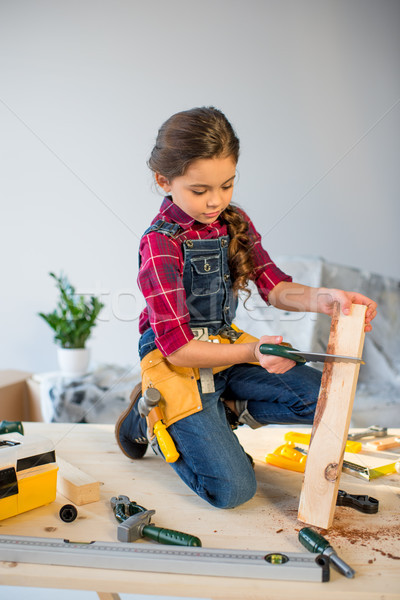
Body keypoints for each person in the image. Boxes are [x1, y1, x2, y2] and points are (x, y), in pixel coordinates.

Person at [116, 106, 377, 509]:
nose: (215, 202)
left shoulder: (232, 221)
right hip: (176, 359)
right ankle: (150, 413)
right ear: (164, 181)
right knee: (234, 490)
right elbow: (179, 348)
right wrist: (253, 352)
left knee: (323, 399)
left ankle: (221, 409)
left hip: (223, 345)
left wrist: (327, 299)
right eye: (200, 191)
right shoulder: (159, 242)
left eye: (227, 185)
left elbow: (275, 286)